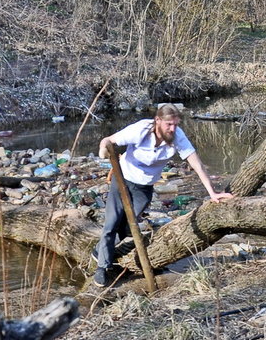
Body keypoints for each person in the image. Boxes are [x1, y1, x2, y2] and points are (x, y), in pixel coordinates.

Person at [90, 103, 233, 286]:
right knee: (112, 222)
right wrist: (103, 150)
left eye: (175, 124)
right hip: (123, 178)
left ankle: (99, 249)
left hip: (145, 186)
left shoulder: (177, 137)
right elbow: (108, 141)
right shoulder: (141, 129)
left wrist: (212, 192)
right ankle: (103, 267)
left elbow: (196, 162)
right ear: (157, 120)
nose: (172, 128)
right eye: (169, 124)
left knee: (128, 227)